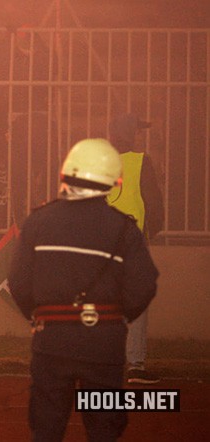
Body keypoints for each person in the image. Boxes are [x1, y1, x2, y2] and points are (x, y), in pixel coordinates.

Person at [8, 138, 158, 441]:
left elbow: (18, 281)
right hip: (103, 342)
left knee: (48, 425)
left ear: (67, 175)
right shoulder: (124, 228)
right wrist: (116, 319)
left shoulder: (38, 221)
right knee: (104, 426)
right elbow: (143, 285)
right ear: (112, 182)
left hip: (52, 340)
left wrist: (37, 316)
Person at [107, 113, 164, 385]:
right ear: (131, 134)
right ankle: (136, 365)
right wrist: (150, 232)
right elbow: (153, 204)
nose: (142, 135)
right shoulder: (141, 162)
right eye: (139, 131)